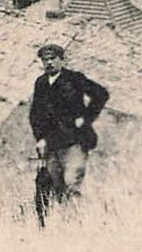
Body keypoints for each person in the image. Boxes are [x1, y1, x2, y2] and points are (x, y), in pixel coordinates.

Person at [28, 43, 110, 213]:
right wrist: (40, 138)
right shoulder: (41, 83)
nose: (49, 63)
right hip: (51, 143)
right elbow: (35, 114)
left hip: (75, 140)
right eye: (45, 60)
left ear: (61, 60)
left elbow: (101, 94)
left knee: (72, 182)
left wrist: (86, 118)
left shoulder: (75, 79)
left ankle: (74, 223)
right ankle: (64, 221)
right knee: (57, 185)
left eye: (53, 59)